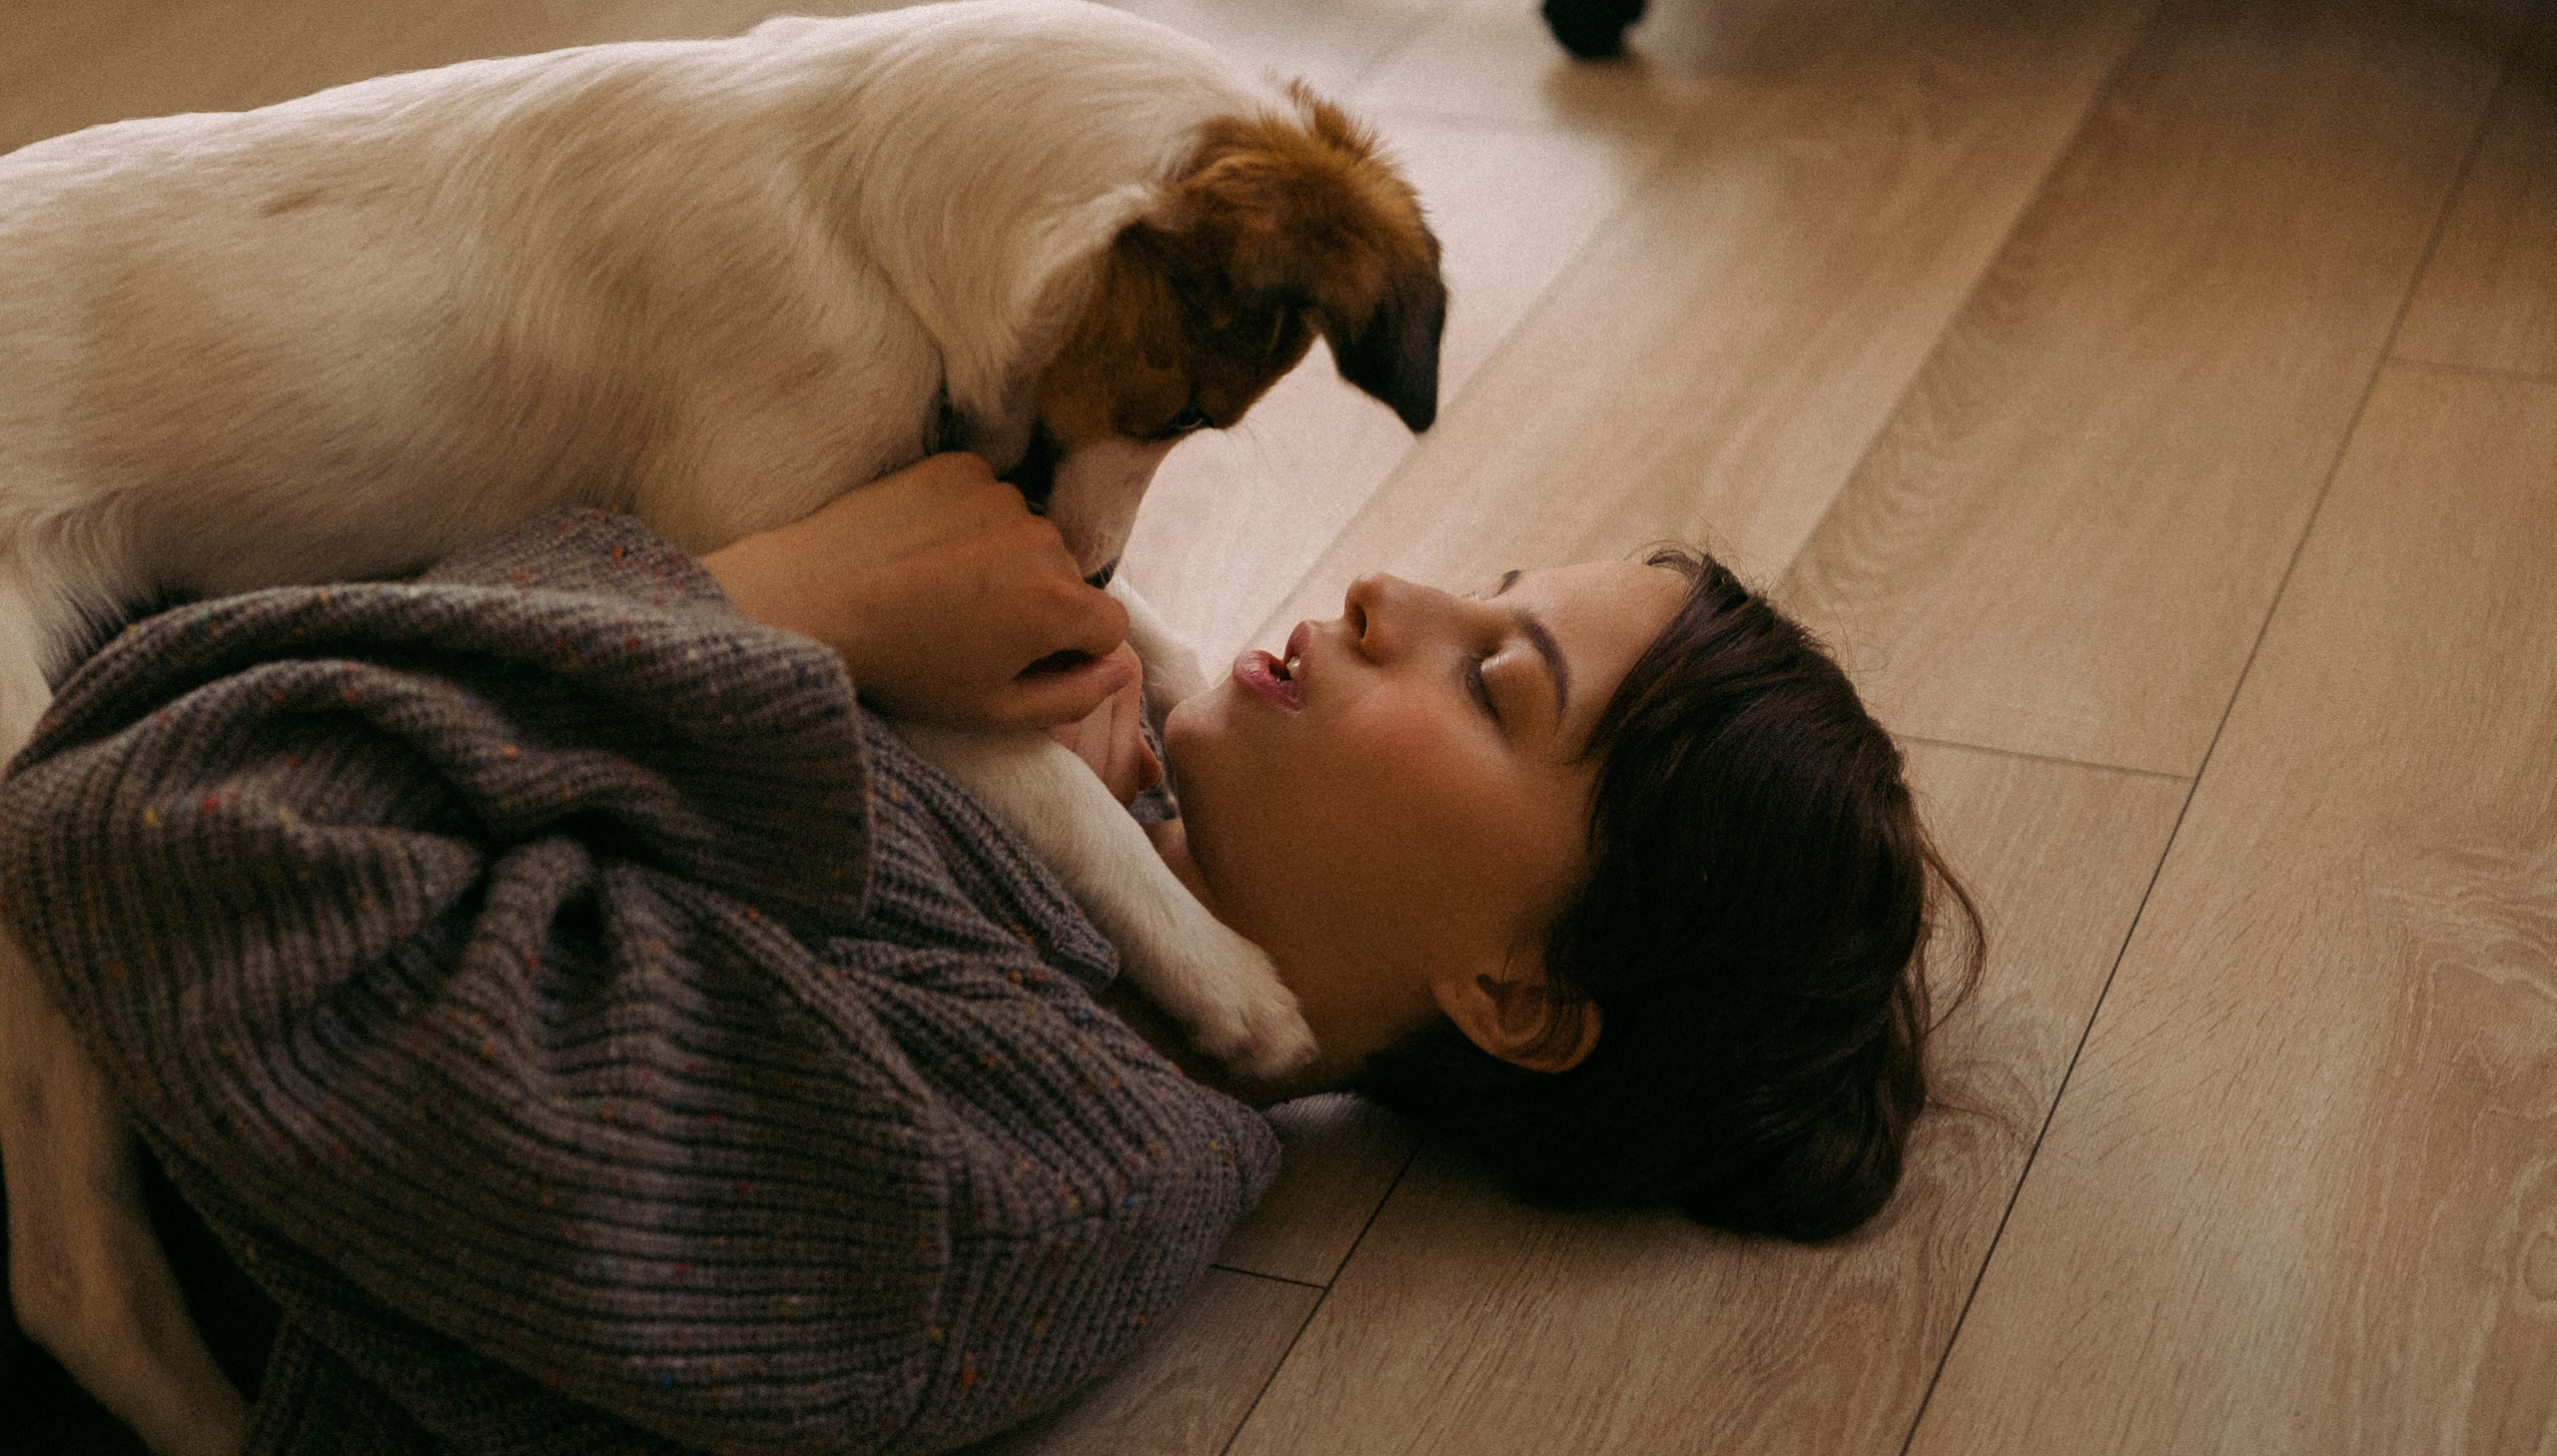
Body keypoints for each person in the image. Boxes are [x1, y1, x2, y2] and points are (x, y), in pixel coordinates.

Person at [3, 451, 1975, 1455]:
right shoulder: (1057, 841)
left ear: (1509, 992)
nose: (1396, 587)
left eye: (1493, 681)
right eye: (1487, 584)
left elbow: (155, 845)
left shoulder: (1008, 1181)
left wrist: (756, 601)